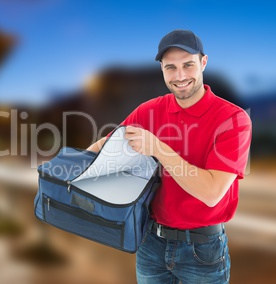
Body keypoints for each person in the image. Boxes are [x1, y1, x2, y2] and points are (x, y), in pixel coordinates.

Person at [87, 29, 252, 284]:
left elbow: (211, 193)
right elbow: (105, 144)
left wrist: (158, 147)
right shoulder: (149, 110)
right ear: (162, 70)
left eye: (188, 65)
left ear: (203, 62)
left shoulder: (232, 119)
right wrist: (72, 165)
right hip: (150, 244)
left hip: (202, 250)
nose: (180, 76)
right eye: (171, 68)